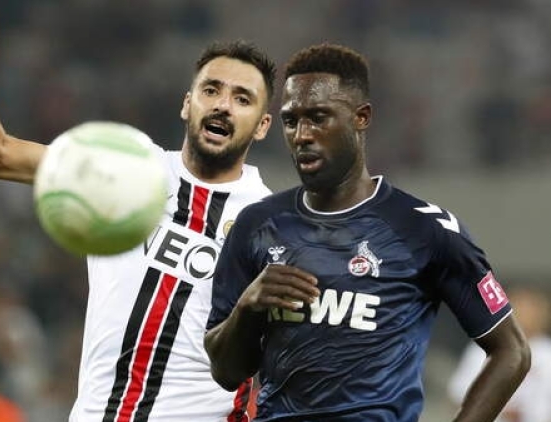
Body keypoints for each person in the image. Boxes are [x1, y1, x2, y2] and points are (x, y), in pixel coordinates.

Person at [0, 9, 275, 422]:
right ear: (186, 104)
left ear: (262, 125)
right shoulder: (123, 169)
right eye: (211, 90)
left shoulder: (272, 224)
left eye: (242, 99)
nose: (223, 106)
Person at [204, 43, 531, 422]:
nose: (302, 135)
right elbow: (226, 373)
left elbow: (512, 351)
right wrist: (248, 306)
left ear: (361, 117)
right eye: (291, 121)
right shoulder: (257, 226)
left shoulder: (425, 230)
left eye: (318, 117)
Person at [449, 285, 551, 422]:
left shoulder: (547, 353)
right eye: (519, 307)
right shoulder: (483, 346)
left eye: (531, 310)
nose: (525, 314)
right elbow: (459, 394)